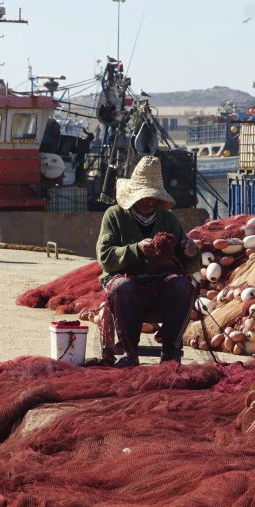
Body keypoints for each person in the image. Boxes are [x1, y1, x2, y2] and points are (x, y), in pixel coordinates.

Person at [97, 156, 200, 367]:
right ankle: (129, 353)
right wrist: (136, 249)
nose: (147, 202)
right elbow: (106, 257)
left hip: (160, 282)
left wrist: (191, 253)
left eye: (152, 197)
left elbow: (187, 265)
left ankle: (170, 350)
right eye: (143, 197)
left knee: (184, 285)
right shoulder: (114, 216)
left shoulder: (168, 219)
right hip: (125, 279)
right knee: (124, 287)